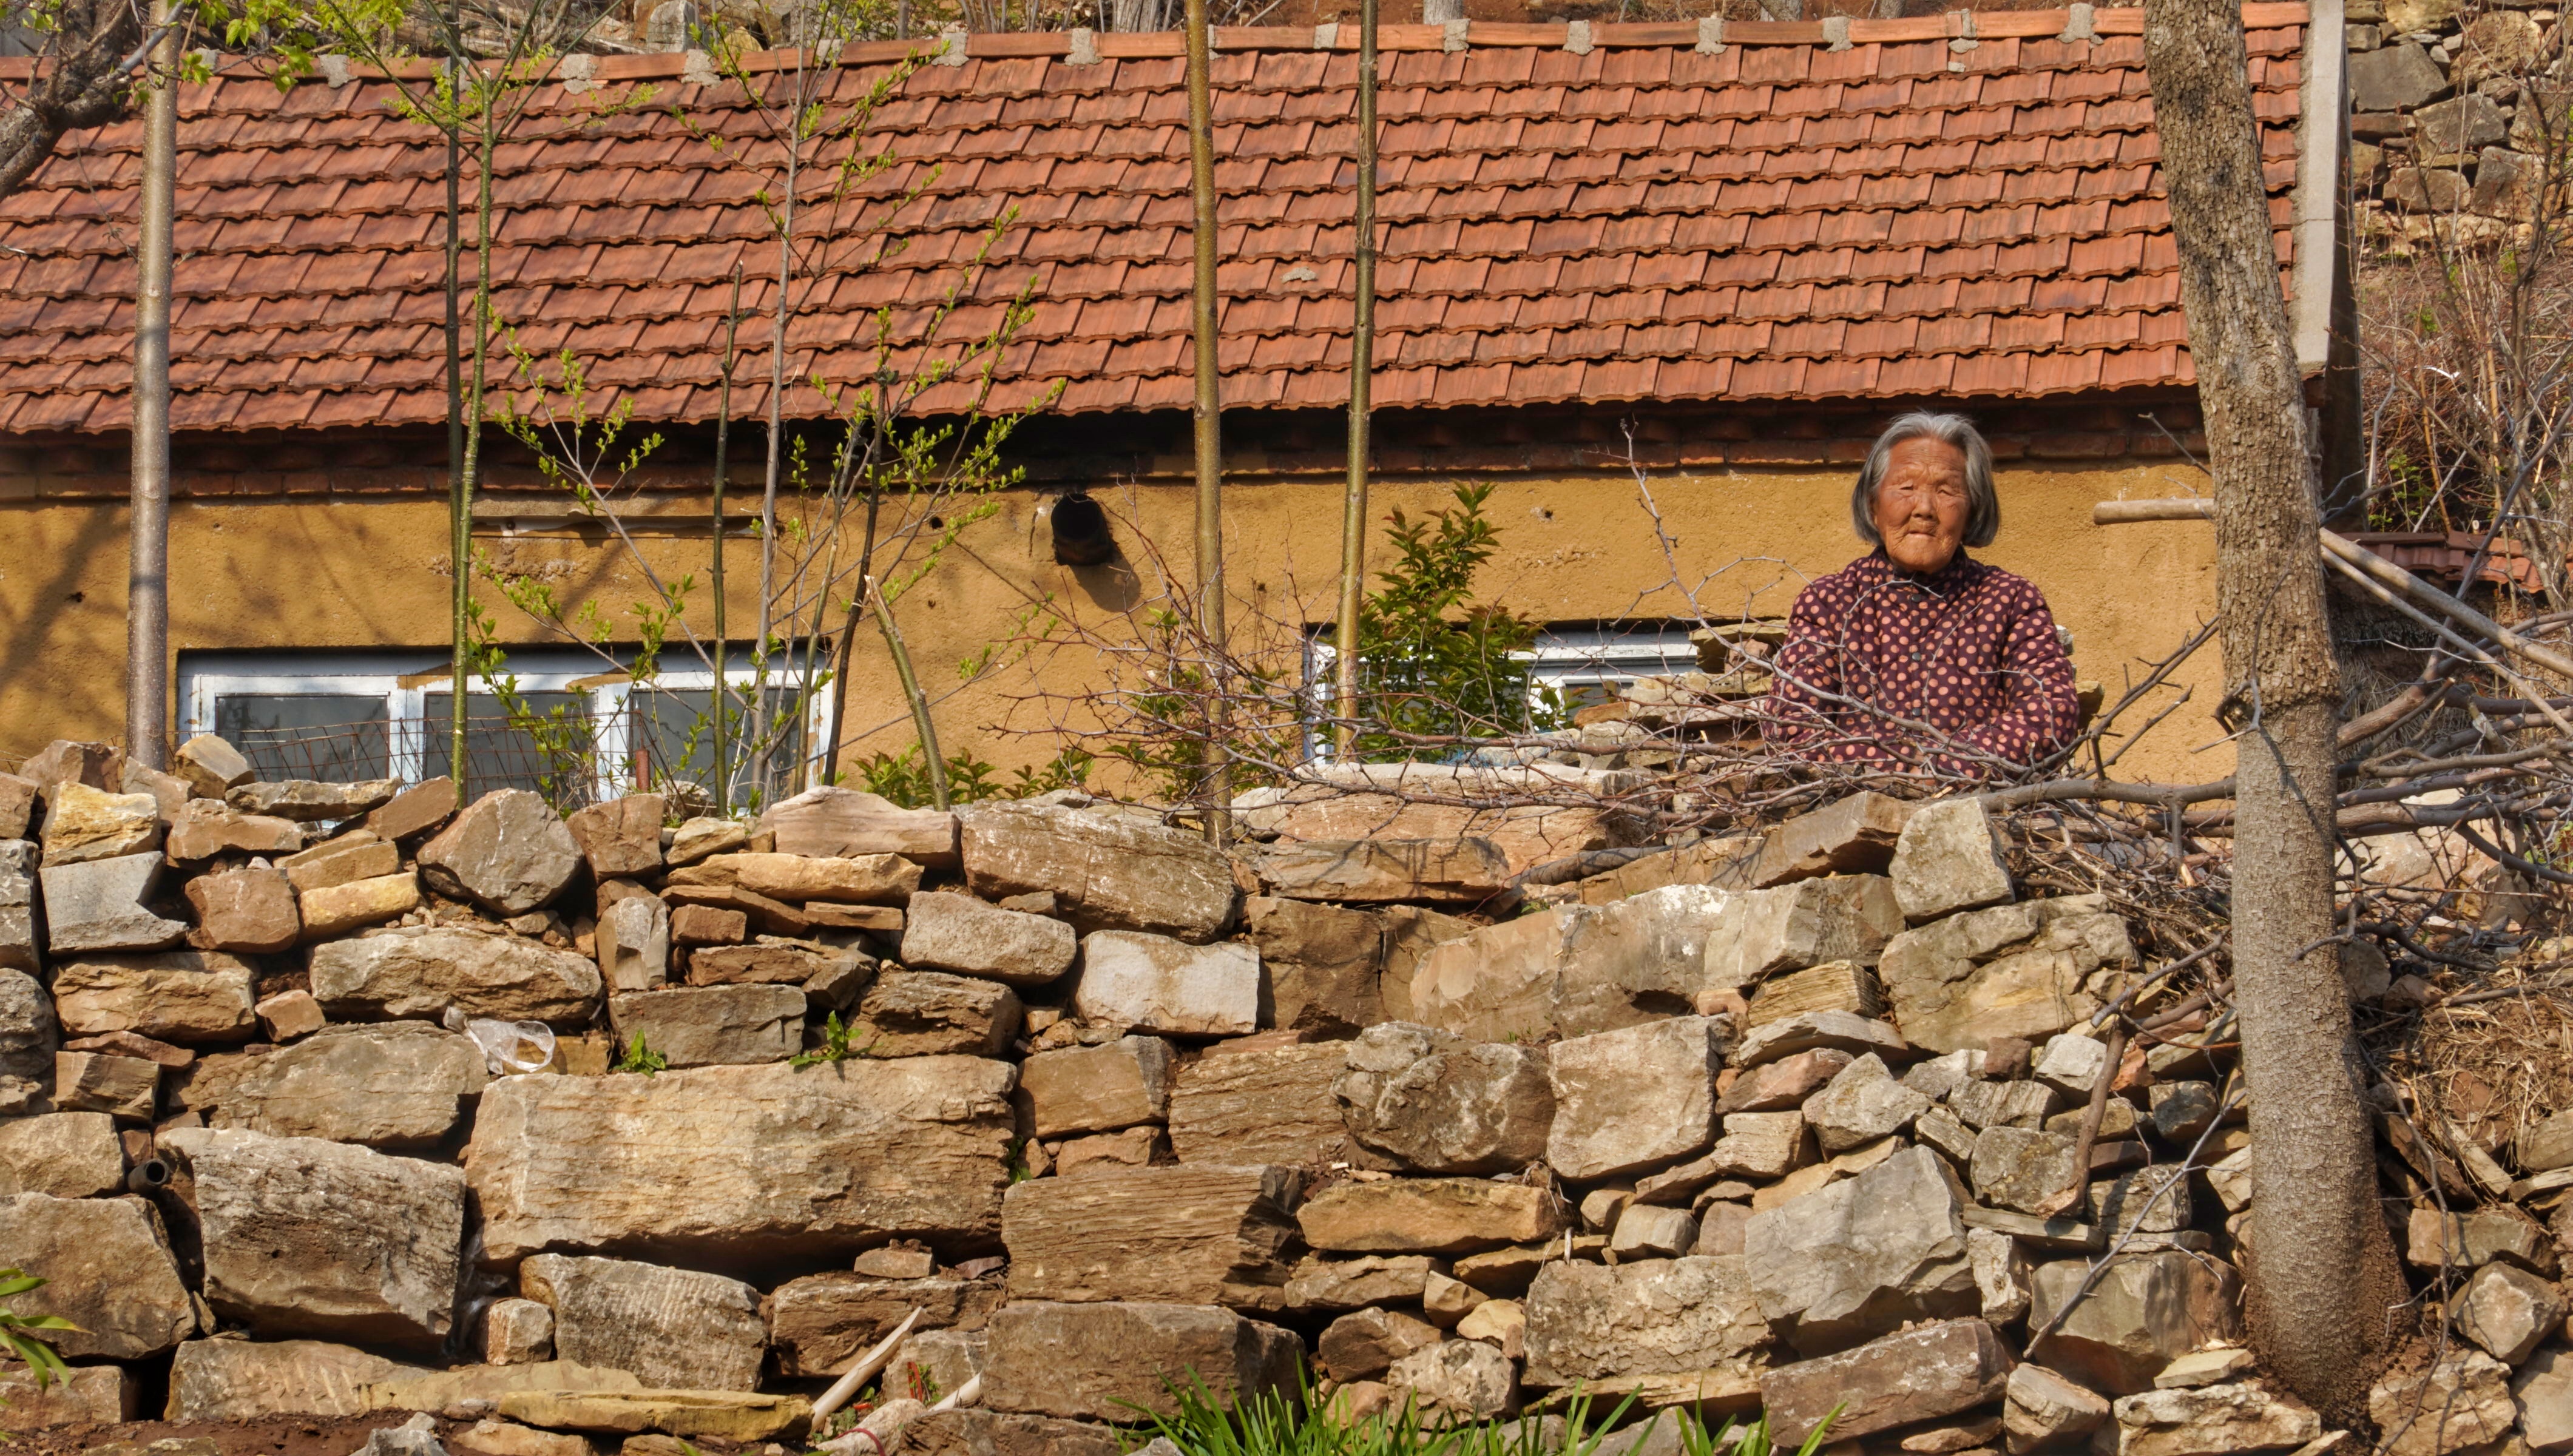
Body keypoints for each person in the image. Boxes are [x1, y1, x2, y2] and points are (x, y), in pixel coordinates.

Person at [1760, 411, 2080, 779]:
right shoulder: (1830, 602)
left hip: (1979, 815)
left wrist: (1938, 768)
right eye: (1906, 488)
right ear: (1872, 504)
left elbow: (2050, 717)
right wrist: (1907, 768)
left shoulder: (2010, 601)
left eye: (1946, 491)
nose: (1925, 509)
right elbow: (1793, 730)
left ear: (1972, 508)